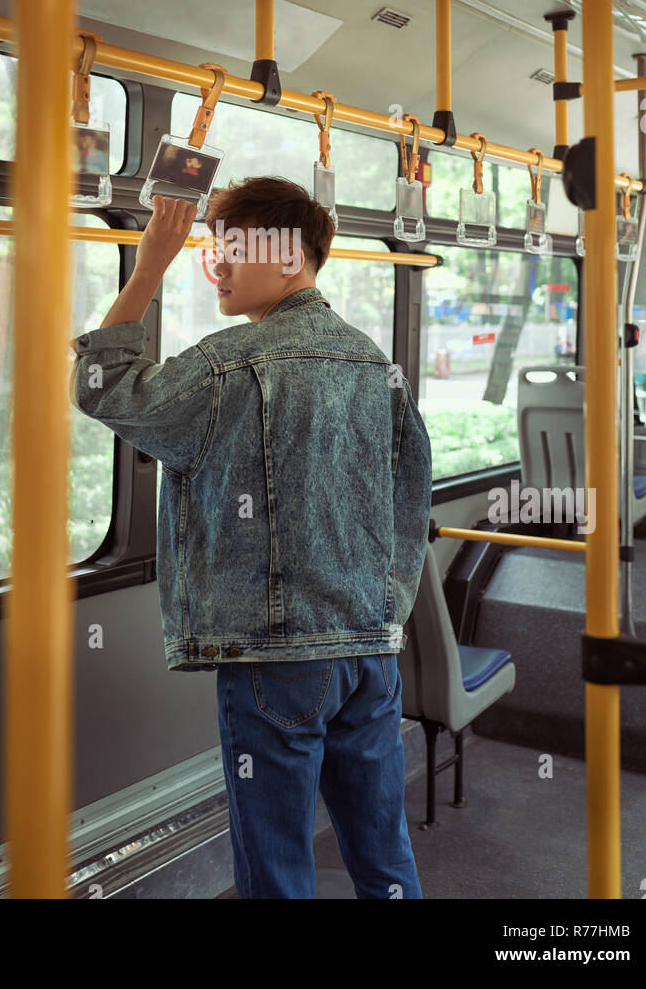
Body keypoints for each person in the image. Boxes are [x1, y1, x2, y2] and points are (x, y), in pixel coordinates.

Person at [70, 176, 432, 899]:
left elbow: (101, 385)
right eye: (212, 250)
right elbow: (407, 498)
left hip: (276, 657)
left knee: (276, 867)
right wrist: (385, 607)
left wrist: (148, 267)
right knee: (382, 851)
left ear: (290, 258)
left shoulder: (226, 363)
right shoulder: (372, 362)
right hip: (368, 648)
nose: (217, 267)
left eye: (232, 248)